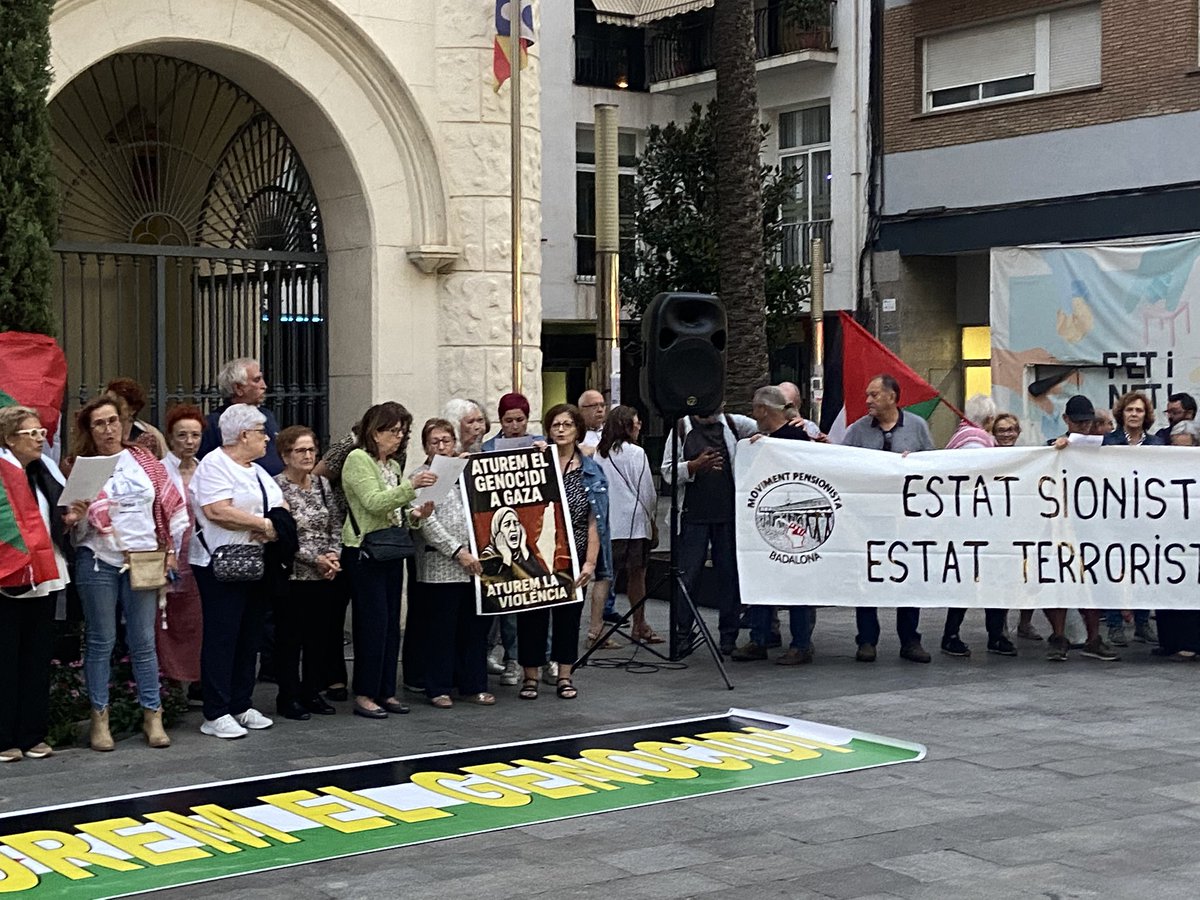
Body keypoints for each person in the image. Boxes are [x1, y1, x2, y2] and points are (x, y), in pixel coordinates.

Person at [69, 394, 189, 750]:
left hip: (144, 558)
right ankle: (99, 720)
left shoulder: (143, 458)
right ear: (89, 431)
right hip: (98, 559)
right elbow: (70, 526)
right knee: (101, 640)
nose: (108, 429)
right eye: (99, 424)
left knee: (143, 641)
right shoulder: (81, 465)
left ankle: (153, 716)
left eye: (113, 421)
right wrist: (77, 516)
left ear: (123, 422)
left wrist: (169, 551)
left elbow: (167, 506)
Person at [190, 403, 291, 739]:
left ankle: (241, 703)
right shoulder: (214, 465)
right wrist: (264, 523)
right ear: (244, 434)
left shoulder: (257, 470)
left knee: (250, 635)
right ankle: (215, 710)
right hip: (221, 563)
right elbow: (217, 510)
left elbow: (282, 505)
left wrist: (273, 528)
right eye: (263, 432)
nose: (268, 438)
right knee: (224, 635)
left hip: (256, 561)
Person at [341, 402, 436, 720]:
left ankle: (386, 690)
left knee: (392, 622)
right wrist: (411, 488)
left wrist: (417, 515)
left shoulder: (392, 466)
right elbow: (372, 503)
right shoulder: (357, 459)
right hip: (365, 550)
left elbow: (396, 513)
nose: (399, 437)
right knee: (372, 623)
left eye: (402, 432)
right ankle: (365, 692)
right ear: (375, 431)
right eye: (393, 431)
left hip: (390, 548)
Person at [841, 375, 934, 663]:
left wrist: (915, 465)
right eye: (867, 395)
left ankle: (910, 640)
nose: (867, 400)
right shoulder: (857, 430)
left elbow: (933, 466)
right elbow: (839, 464)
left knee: (908, 578)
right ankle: (867, 640)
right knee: (867, 577)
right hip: (868, 520)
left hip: (906, 519)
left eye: (874, 395)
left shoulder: (917, 427)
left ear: (893, 397)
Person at [516, 403, 602, 701]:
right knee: (532, 617)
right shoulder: (537, 462)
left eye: (567, 425)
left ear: (578, 430)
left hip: (574, 555)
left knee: (568, 618)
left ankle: (565, 675)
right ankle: (531, 677)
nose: (562, 430)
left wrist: (590, 563)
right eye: (556, 425)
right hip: (537, 555)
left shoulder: (591, 471)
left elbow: (594, 521)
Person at [0, 406, 70, 762]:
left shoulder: (44, 471)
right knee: (6, 657)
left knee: (37, 655)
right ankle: (4, 737)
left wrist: (71, 517)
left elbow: (52, 519)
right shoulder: (2, 475)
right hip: (7, 576)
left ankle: (32, 734)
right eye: (32, 433)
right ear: (9, 439)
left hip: (44, 572)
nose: (41, 438)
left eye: (41, 432)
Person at [661, 404, 758, 655]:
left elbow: (770, 426)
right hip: (692, 517)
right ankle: (683, 633)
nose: (712, 412)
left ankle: (729, 635)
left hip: (727, 517)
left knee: (729, 577)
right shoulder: (681, 428)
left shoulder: (735, 424)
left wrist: (763, 437)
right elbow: (667, 472)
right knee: (687, 577)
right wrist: (694, 466)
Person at [412, 419, 495, 709]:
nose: (442, 446)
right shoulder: (423, 476)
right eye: (435, 441)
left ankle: (473, 684)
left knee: (474, 629)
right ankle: (438, 687)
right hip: (441, 566)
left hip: (478, 565)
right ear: (425, 446)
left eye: (446, 440)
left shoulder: (465, 470)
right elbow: (426, 522)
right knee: (441, 631)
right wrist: (458, 550)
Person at [733, 386, 816, 665]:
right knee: (762, 578)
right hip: (767, 521)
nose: (752, 414)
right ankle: (761, 637)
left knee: (796, 583)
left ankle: (800, 643)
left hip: (793, 524)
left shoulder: (796, 438)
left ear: (763, 410)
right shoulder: (767, 440)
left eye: (755, 408)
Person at [939, 395, 1016, 658]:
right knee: (979, 580)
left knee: (973, 580)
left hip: (970, 524)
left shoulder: (959, 439)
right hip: (977, 524)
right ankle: (981, 636)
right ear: (989, 420)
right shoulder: (976, 443)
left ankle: (961, 634)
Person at [1043, 395, 1119, 662]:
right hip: (1062, 523)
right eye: (1079, 423)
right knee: (1061, 579)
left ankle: (1093, 637)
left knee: (1093, 581)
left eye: (1089, 422)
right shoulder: (1052, 447)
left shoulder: (1105, 446)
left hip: (1093, 523)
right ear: (1066, 421)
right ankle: (1059, 636)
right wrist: (1056, 447)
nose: (1085, 427)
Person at [274, 426, 342, 720]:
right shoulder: (276, 487)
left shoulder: (322, 485)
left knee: (319, 637)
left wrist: (333, 556)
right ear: (285, 455)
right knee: (291, 639)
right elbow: (282, 536)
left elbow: (335, 523)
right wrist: (315, 559)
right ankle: (288, 696)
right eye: (300, 450)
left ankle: (311, 691)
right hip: (294, 575)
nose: (308, 455)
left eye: (312, 450)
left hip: (324, 575)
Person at [594, 405, 661, 644]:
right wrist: (652, 519)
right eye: (636, 421)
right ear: (626, 425)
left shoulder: (599, 454)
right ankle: (639, 624)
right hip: (634, 526)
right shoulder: (636, 453)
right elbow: (647, 492)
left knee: (606, 578)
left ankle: (597, 629)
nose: (640, 425)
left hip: (609, 524)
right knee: (637, 576)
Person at [1101, 391, 1162, 646]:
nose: (1134, 414)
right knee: (1116, 571)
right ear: (1121, 414)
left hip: (1146, 518)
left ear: (1146, 415)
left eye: (1139, 410)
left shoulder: (1157, 445)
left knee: (1144, 570)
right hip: (1115, 517)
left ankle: (1142, 622)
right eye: (1130, 410)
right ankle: (1115, 624)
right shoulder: (1109, 442)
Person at [158, 404, 206, 694]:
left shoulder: (206, 469)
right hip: (170, 554)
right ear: (170, 437)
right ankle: (171, 682)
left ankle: (198, 678)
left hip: (199, 555)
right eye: (182, 435)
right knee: (167, 619)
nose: (189, 442)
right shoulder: (160, 470)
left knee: (197, 620)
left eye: (195, 435)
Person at [989, 412, 1043, 640]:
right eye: (1001, 430)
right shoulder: (985, 457)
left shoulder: (1027, 456)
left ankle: (1025, 622)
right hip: (996, 526)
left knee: (1028, 575)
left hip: (1023, 524)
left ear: (1018, 432)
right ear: (993, 434)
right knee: (1000, 578)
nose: (1006, 434)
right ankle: (999, 625)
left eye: (1011, 429)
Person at [1155, 420, 1200, 659]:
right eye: (1176, 446)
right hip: (1168, 534)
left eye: (1186, 447)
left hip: (1193, 536)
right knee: (1167, 587)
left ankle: (1191, 642)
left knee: (1191, 589)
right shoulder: (1163, 468)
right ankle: (1169, 641)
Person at [199, 358, 284, 475]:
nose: (264, 386)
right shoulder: (215, 423)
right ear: (238, 388)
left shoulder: (266, 415)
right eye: (257, 380)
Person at [106, 377, 167, 459]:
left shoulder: (148, 437)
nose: (110, 408)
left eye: (117, 404)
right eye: (107, 402)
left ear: (133, 409)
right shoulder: (97, 432)